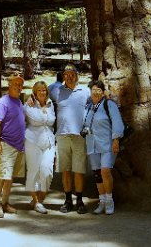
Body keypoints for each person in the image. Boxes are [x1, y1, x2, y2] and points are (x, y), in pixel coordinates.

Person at [49, 64, 90, 214]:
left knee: (79, 169)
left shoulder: (85, 91)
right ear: (63, 76)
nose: (69, 77)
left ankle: (79, 200)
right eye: (66, 74)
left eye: (72, 74)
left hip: (79, 136)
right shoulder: (56, 91)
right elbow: (39, 92)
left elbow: (95, 104)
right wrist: (31, 100)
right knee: (65, 169)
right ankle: (67, 200)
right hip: (62, 135)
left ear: (77, 76)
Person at [82, 80, 124, 215]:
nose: (95, 92)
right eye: (93, 89)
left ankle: (110, 200)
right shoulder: (88, 107)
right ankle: (102, 201)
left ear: (102, 91)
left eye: (98, 89)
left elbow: (117, 122)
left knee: (105, 171)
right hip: (92, 144)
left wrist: (116, 140)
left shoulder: (109, 104)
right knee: (97, 174)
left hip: (107, 144)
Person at [0, 73, 26, 218]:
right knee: (1, 175)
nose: (18, 86)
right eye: (15, 84)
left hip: (18, 146)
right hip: (6, 144)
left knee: (10, 177)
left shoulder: (18, 102)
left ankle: (5, 202)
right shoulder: (2, 102)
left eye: (20, 84)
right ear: (9, 85)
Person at [24, 81, 56, 214]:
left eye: (44, 90)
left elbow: (52, 120)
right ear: (35, 93)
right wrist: (45, 115)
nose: (42, 93)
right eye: (39, 90)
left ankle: (40, 198)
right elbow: (37, 119)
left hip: (49, 141)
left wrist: (45, 114)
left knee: (47, 171)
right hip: (33, 140)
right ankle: (36, 201)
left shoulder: (51, 104)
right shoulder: (28, 104)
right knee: (33, 171)